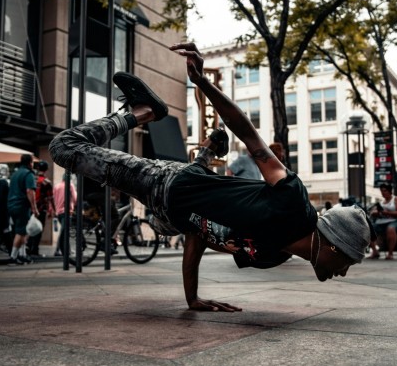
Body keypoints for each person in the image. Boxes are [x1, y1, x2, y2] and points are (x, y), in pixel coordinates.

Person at [49, 42, 373, 312]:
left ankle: (207, 150)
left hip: (175, 210)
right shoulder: (293, 200)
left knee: (166, 223)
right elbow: (250, 136)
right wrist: (201, 83)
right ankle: (144, 112)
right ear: (334, 247)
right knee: (64, 147)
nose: (343, 272)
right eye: (348, 262)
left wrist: (192, 298)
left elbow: (202, 232)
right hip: (163, 184)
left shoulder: (270, 257)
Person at [7, 153, 39, 265]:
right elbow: (30, 191)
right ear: (30, 162)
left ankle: (22, 255)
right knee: (20, 232)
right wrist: (34, 208)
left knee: (23, 230)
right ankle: (13, 257)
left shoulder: (15, 174)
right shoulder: (28, 174)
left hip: (11, 205)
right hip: (21, 206)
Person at [368, 183, 397, 260]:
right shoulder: (381, 202)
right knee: (368, 229)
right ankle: (375, 251)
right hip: (381, 222)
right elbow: (374, 213)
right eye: (381, 191)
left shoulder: (396, 199)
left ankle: (390, 253)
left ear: (389, 191)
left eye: (385, 191)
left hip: (396, 221)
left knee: (390, 228)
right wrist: (376, 213)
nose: (383, 193)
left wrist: (388, 213)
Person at [27, 160, 54, 257]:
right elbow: (50, 198)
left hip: (30, 208)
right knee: (38, 229)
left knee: (30, 228)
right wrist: (53, 209)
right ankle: (34, 249)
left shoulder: (32, 179)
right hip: (41, 209)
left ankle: (28, 247)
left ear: (38, 168)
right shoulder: (46, 182)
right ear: (46, 169)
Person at [52, 173, 77, 256]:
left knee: (65, 231)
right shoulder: (70, 185)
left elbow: (53, 199)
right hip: (67, 211)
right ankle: (57, 250)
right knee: (63, 232)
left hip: (58, 212)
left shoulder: (57, 186)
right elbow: (75, 198)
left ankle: (67, 250)